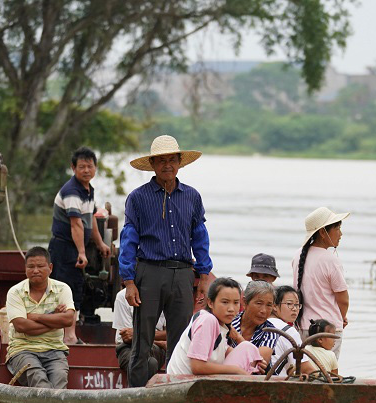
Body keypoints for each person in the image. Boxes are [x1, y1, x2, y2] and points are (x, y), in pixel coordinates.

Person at [119, 135, 215, 387]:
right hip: (149, 272)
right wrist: (129, 281)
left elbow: (200, 237)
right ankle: (135, 395)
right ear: (152, 165)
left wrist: (203, 276)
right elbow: (129, 239)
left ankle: (173, 392)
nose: (167, 165)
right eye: (161, 161)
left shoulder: (191, 197)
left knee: (181, 338)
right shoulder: (138, 198)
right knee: (142, 339)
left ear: (180, 163)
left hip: (183, 273)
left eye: (172, 160)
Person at [48, 146, 112, 344]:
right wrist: (82, 252)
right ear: (73, 168)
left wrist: (100, 243)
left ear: (95, 168)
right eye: (82, 167)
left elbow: (90, 218)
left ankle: (68, 335)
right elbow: (76, 224)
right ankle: (68, 337)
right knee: (66, 290)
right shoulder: (72, 192)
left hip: (74, 247)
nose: (86, 170)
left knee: (75, 289)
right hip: (65, 248)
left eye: (90, 166)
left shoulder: (88, 190)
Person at [4, 247, 75, 389]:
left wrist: (36, 317)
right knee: (37, 377)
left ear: (50, 268)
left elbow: (68, 320)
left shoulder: (62, 289)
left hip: (54, 349)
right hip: (22, 349)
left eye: (40, 266)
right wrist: (55, 320)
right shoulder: (15, 292)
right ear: (25, 269)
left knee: (60, 379)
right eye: (31, 266)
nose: (35, 270)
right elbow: (22, 327)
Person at [167, 278, 264, 376]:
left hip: (198, 382)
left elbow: (233, 352)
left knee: (248, 348)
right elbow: (197, 366)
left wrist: (255, 359)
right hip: (184, 383)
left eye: (236, 303)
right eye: (225, 302)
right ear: (210, 303)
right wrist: (236, 370)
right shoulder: (207, 320)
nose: (231, 309)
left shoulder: (221, 325)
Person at [291, 206, 350, 359]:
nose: (341, 234)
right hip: (327, 331)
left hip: (304, 328)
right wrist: (342, 318)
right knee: (328, 373)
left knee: (308, 372)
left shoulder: (298, 255)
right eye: (337, 228)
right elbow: (343, 299)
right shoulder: (330, 259)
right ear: (323, 232)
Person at [111, 287, 167, 376]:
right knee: (147, 363)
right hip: (128, 348)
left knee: (150, 363)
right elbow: (127, 337)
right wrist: (161, 342)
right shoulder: (123, 296)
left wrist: (138, 334)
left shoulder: (165, 295)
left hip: (155, 348)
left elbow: (172, 333)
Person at [228, 280, 278, 366]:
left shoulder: (270, 331)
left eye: (269, 305)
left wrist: (238, 338)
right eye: (259, 303)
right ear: (245, 302)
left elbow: (257, 365)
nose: (264, 311)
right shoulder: (228, 323)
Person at [266, 285, 310, 377]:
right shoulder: (289, 331)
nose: (294, 308)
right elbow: (306, 368)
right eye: (289, 304)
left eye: (297, 304)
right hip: (278, 382)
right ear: (275, 306)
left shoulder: (261, 324)